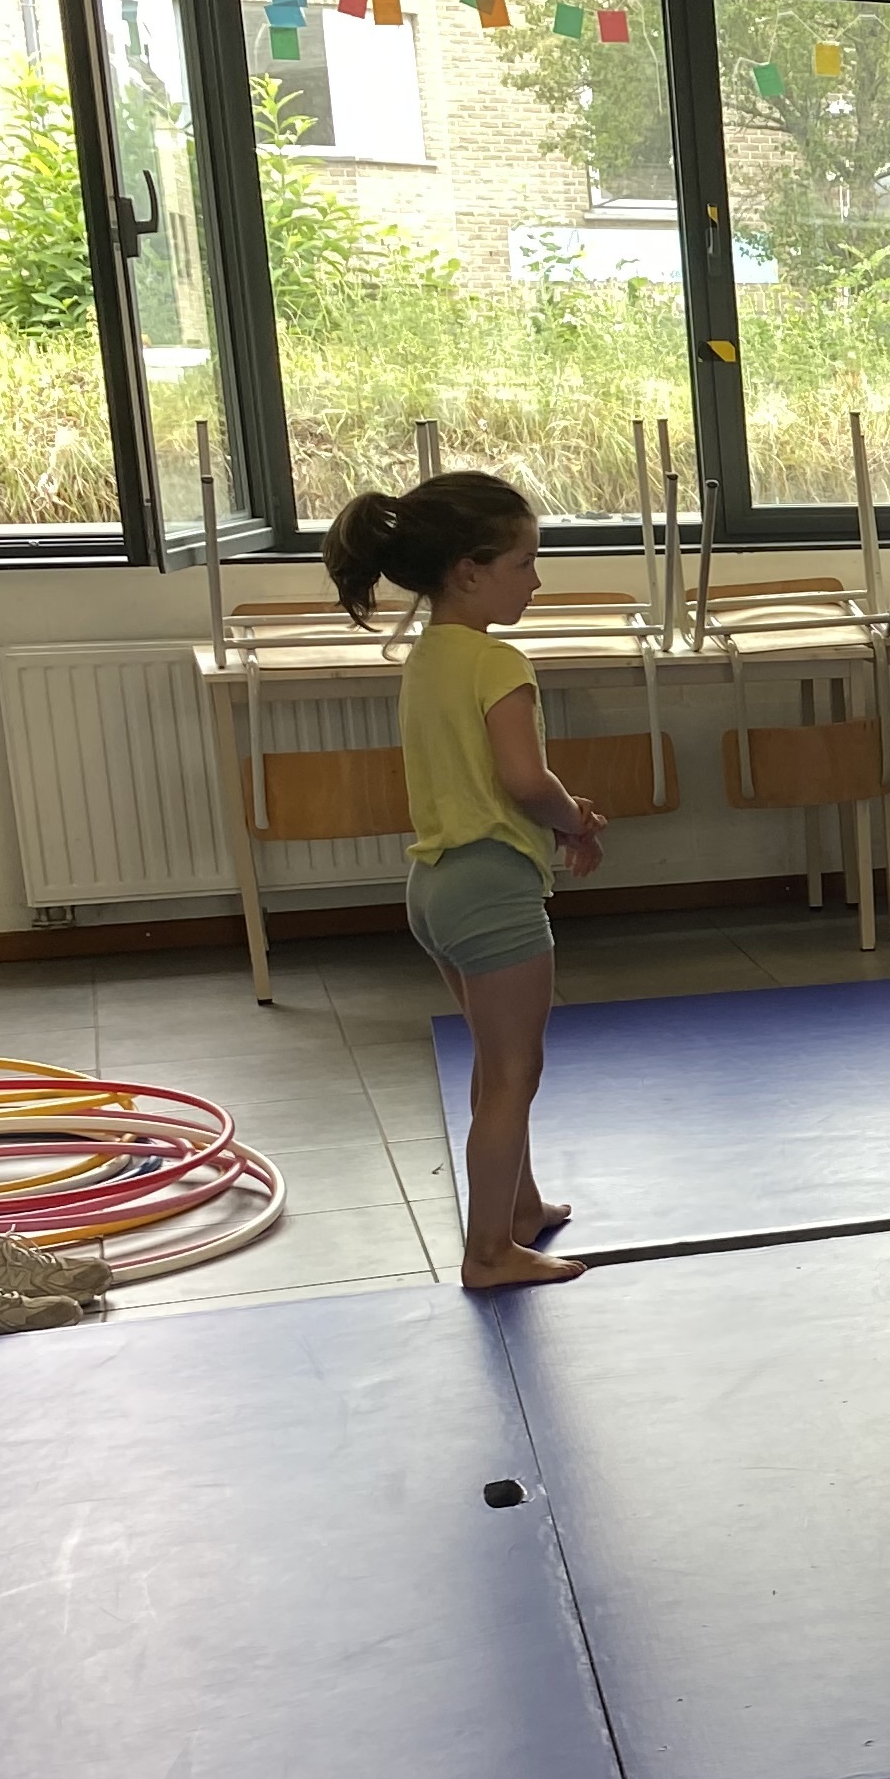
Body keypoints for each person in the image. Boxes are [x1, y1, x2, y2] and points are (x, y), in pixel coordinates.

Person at [327, 470, 603, 1293]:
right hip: (489, 887)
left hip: (434, 886)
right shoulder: (496, 660)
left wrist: (558, 814)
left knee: (495, 1062)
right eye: (524, 563)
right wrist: (574, 819)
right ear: (468, 572)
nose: (536, 581)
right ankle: (489, 1253)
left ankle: (520, 1209)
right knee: (516, 1073)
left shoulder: (428, 657)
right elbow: (524, 779)